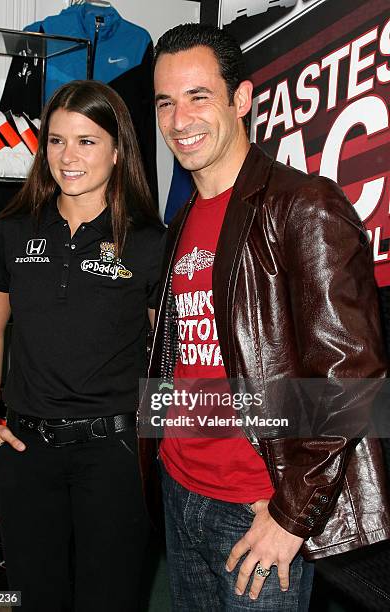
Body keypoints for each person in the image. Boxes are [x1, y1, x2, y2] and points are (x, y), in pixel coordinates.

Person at [138, 23, 390, 612]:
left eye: (199, 97)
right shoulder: (180, 225)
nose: (179, 121)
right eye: (166, 103)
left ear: (241, 99)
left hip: (258, 511)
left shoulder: (303, 205)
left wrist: (291, 515)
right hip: (180, 489)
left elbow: (352, 379)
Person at [0, 80, 165, 612]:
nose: (67, 157)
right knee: (37, 599)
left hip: (115, 455)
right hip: (27, 451)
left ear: (118, 148)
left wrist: (156, 441)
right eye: (56, 141)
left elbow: (164, 352)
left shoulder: (149, 240)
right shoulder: (13, 230)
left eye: (86, 141)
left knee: (110, 600)